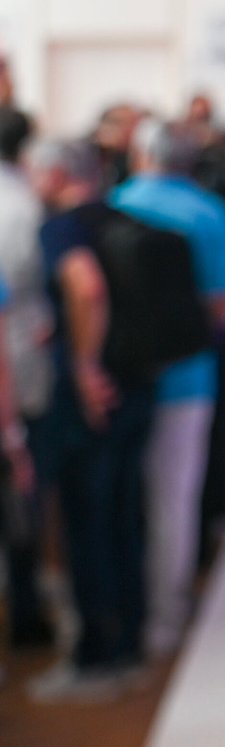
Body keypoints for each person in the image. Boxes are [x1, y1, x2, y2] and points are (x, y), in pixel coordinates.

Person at [109, 119, 225, 658]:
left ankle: (118, 610)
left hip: (118, 377)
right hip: (188, 377)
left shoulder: (114, 201)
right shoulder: (208, 211)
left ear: (141, 154)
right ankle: (166, 618)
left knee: (120, 500)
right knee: (174, 498)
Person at [24, 140, 152, 701]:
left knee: (86, 522)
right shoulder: (124, 216)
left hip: (92, 400)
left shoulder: (62, 228)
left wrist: (82, 365)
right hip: (138, 388)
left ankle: (95, 658)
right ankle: (128, 645)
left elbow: (88, 288)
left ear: (55, 172)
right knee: (124, 516)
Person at [0, 107, 54, 651]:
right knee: (21, 489)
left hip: (14, 360)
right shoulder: (22, 204)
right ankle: (25, 609)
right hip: (16, 368)